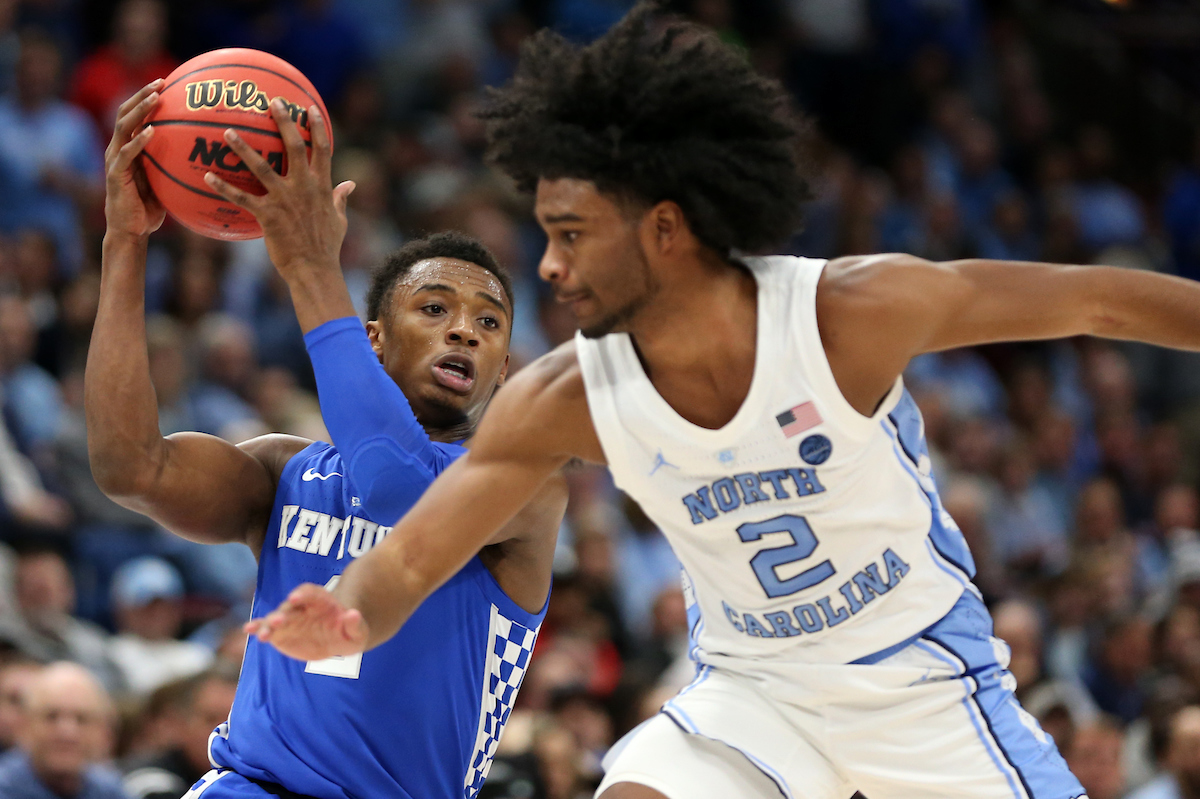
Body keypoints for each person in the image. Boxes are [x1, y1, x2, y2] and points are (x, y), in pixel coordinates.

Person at [242, 4, 1200, 798]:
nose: (549, 266)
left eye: (571, 234)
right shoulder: (567, 396)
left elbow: (1099, 296)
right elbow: (410, 551)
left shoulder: (848, 314)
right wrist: (342, 612)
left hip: (920, 686)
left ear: (662, 229)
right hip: (755, 691)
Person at [86, 81, 566, 798]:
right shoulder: (286, 470)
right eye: (434, 308)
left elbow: (399, 486)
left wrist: (311, 267)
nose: (465, 329)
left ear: (503, 366)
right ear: (371, 341)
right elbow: (130, 466)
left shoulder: (524, 486)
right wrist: (124, 243)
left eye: (490, 322)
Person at [0, 661, 125, 799]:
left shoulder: (109, 789)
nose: (67, 733)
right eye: (51, 717)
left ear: (102, 731)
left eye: (81, 719)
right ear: (25, 725)